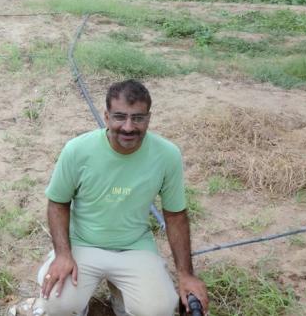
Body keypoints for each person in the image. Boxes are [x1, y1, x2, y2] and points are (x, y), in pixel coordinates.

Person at [35, 79, 208, 316]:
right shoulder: (77, 150)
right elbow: (58, 202)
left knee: (159, 309)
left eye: (138, 118)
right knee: (55, 305)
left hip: (134, 247)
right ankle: (79, 303)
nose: (128, 127)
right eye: (119, 117)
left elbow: (175, 215)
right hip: (83, 244)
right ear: (106, 117)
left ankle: (121, 297)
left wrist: (186, 274)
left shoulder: (167, 155)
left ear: (149, 118)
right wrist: (64, 254)